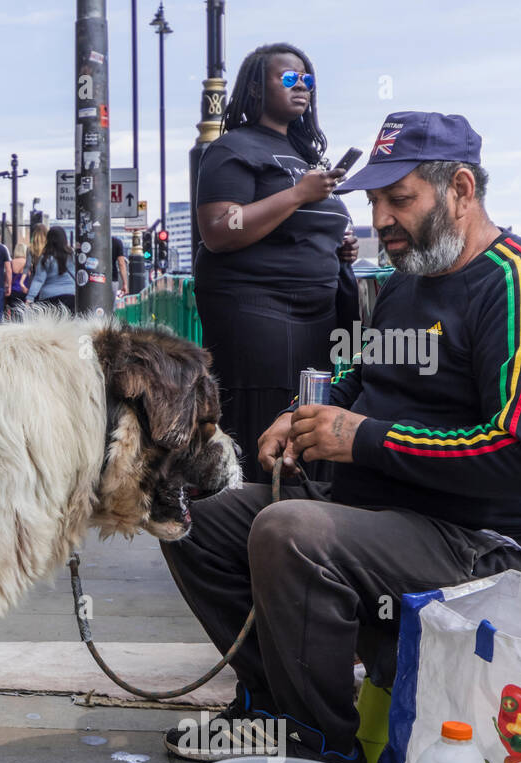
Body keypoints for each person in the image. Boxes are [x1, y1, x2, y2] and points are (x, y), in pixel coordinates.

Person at [162, 112, 521, 763]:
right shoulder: (406, 280)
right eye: (373, 201)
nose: (381, 218)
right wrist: (312, 415)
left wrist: (361, 440)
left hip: (482, 545)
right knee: (194, 519)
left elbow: (517, 455)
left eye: (400, 198)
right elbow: (367, 378)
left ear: (462, 190)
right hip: (385, 517)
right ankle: (271, 706)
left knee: (288, 530)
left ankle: (320, 748)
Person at [193, 42, 359, 483]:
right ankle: (251, 539)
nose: (301, 86)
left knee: (303, 432)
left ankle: (294, 536)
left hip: (315, 321)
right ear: (254, 88)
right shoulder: (232, 149)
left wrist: (338, 247)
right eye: (289, 78)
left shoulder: (305, 156)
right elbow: (218, 228)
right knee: (262, 436)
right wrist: (299, 194)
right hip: (259, 319)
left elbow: (295, 226)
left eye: (307, 79)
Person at [26, 226, 77, 312]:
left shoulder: (46, 258)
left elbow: (38, 280)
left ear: (48, 239)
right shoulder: (72, 255)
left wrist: (30, 298)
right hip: (71, 295)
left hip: (49, 297)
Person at [7, 242, 29, 318]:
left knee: (14, 314)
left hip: (13, 291)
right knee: (24, 314)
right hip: (25, 291)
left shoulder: (11, 262)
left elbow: (8, 276)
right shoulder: (28, 262)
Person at [111, 233, 129, 299]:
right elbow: (121, 264)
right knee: (110, 306)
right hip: (112, 279)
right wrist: (125, 284)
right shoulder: (116, 242)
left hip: (95, 279)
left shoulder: (92, 239)